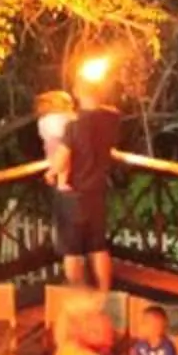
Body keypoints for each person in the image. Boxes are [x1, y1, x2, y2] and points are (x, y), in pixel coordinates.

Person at [39, 77, 121, 292]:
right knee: (98, 247)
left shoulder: (74, 126)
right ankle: (104, 293)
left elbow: (63, 157)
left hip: (73, 193)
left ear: (77, 92)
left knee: (72, 251)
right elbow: (107, 110)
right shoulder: (111, 118)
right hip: (98, 191)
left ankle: (78, 296)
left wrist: (51, 173)